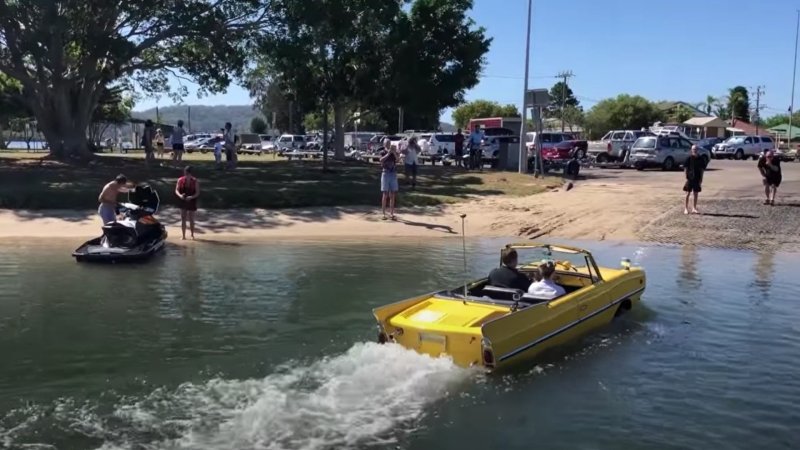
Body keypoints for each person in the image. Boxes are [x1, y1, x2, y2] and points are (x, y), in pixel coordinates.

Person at [175, 166, 200, 240]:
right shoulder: (180, 180)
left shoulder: (195, 181)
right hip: (182, 199)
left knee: (191, 218)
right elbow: (176, 190)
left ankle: (192, 235)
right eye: (185, 173)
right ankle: (183, 236)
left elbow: (197, 192)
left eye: (188, 174)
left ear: (190, 173)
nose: (186, 175)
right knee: (183, 218)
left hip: (192, 200)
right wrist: (180, 196)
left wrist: (191, 197)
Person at [379, 138, 399, 220]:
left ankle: (391, 213)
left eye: (389, 143)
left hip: (393, 174)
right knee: (385, 194)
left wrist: (393, 153)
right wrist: (388, 153)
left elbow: (397, 160)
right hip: (385, 174)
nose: (388, 144)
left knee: (392, 194)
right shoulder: (382, 152)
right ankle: (383, 213)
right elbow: (381, 160)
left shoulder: (393, 152)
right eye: (387, 143)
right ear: (384, 144)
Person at [683, 144, 705, 215]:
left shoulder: (700, 159)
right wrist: (686, 176)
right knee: (687, 193)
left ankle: (694, 208)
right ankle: (686, 208)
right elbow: (685, 168)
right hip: (690, 178)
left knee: (696, 193)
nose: (694, 151)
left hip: (697, 178)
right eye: (693, 149)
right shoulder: (688, 158)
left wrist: (701, 178)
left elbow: (702, 170)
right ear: (691, 150)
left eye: (695, 149)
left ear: (697, 150)